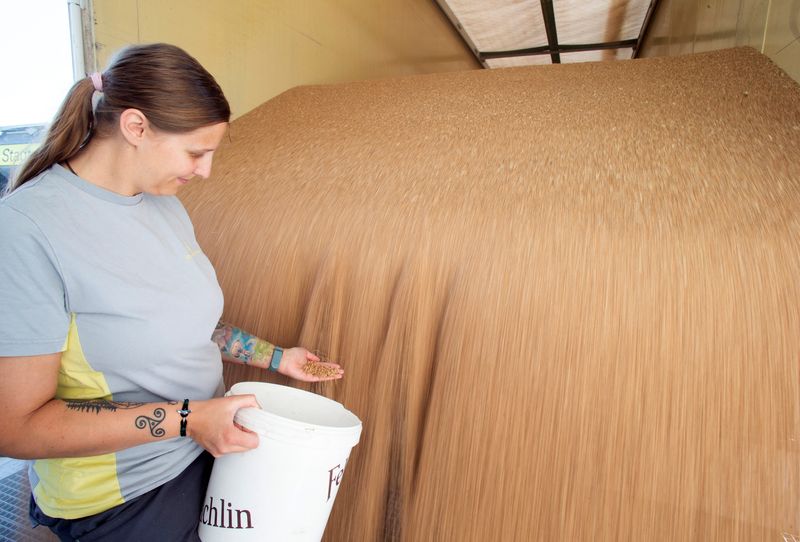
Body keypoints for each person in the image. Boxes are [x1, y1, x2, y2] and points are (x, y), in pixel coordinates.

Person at [0, 43, 343, 541]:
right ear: (136, 127)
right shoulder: (27, 231)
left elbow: (182, 324)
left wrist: (276, 358)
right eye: (195, 153)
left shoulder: (163, 205)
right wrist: (186, 419)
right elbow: (17, 426)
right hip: (125, 494)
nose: (204, 171)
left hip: (202, 446)